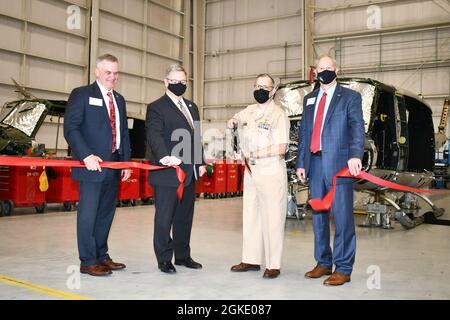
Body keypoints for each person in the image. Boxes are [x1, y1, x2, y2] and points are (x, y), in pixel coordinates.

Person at [296, 54, 365, 286]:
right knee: (318, 216)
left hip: (339, 166)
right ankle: (323, 262)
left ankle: (343, 268)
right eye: (319, 68)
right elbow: (304, 133)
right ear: (315, 73)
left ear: (337, 69)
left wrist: (356, 154)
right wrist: (301, 163)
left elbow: (357, 127)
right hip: (314, 163)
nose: (323, 71)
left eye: (328, 67)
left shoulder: (350, 97)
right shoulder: (309, 98)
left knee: (343, 217)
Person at [64, 54, 131, 277]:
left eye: (116, 73)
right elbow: (71, 129)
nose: (113, 77)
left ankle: (102, 255)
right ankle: (88, 260)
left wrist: (126, 162)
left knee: (105, 213)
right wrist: (86, 156)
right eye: (108, 72)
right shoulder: (82, 94)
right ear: (97, 72)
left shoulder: (119, 99)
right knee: (88, 214)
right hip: (90, 166)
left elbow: (123, 133)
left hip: (113, 164)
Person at [227, 73, 290, 279]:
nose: (260, 90)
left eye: (265, 87)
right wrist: (232, 121)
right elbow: (237, 119)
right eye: (257, 86)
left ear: (272, 91)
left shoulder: (279, 114)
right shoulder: (250, 111)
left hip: (270, 170)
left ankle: (273, 264)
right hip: (251, 171)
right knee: (251, 214)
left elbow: (282, 147)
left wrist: (254, 154)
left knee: (272, 217)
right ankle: (251, 259)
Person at [146, 64, 206, 274]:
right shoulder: (156, 107)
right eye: (175, 81)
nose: (179, 85)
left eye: (183, 82)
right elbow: (155, 135)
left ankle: (182, 255)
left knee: (184, 216)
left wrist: (200, 163)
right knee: (164, 217)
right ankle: (164, 258)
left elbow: (196, 137)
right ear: (165, 82)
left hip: (188, 172)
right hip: (166, 172)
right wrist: (165, 157)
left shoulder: (192, 107)